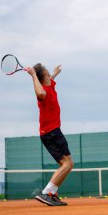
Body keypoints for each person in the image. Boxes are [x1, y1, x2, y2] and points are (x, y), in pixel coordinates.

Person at [26, 63, 73, 206]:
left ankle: (52, 193)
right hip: (52, 133)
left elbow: (48, 80)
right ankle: (47, 192)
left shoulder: (50, 85)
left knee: (66, 165)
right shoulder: (43, 92)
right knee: (67, 164)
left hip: (50, 133)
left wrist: (55, 73)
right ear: (44, 74)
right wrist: (33, 75)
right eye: (47, 70)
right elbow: (40, 93)